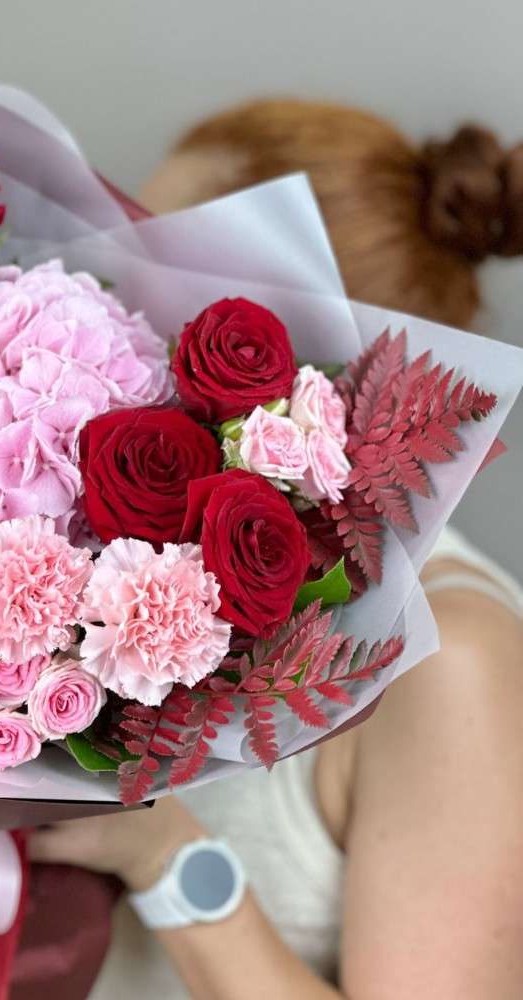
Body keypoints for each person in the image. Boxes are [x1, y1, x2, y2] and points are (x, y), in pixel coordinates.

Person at [28, 101, 523, 999]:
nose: (105, 288)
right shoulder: (108, 566)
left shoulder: (456, 661)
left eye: (152, 254)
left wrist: (164, 856)